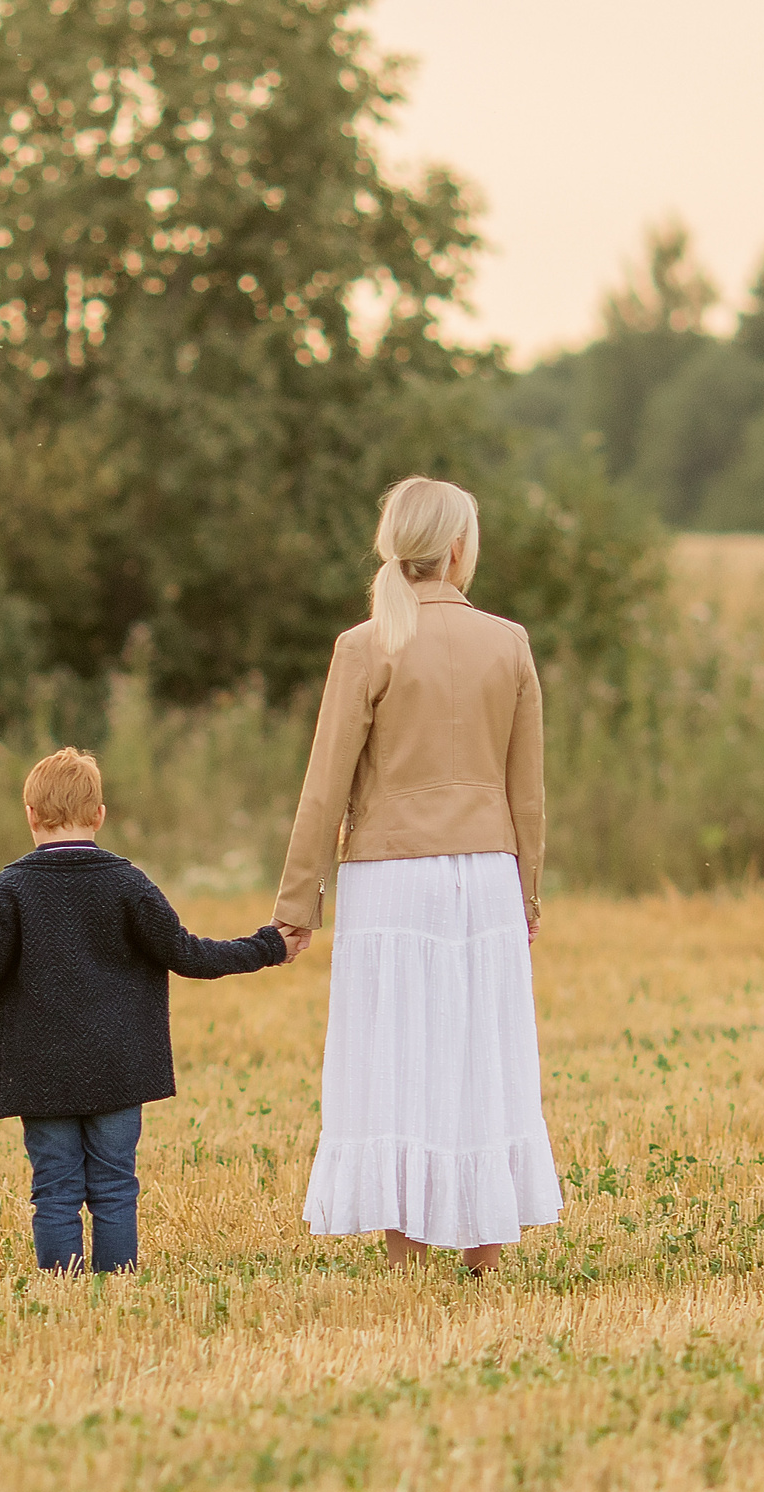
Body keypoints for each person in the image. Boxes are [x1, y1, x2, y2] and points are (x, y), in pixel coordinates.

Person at [271, 476, 562, 1275]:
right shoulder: (510, 643)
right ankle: (485, 1251)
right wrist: (527, 892)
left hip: (390, 879)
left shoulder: (365, 645)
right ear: (461, 549)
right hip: (487, 874)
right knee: (483, 1049)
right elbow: (525, 792)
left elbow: (323, 787)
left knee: (397, 1048)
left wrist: (298, 902)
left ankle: (403, 1251)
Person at [0, 748, 289, 1273]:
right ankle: (116, 1288)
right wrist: (269, 945)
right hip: (121, 1066)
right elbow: (191, 955)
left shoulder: (10, 889)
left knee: (54, 1190)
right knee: (116, 1186)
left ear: (30, 814)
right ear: (99, 815)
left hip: (39, 1072)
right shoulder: (127, 883)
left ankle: (61, 1290)